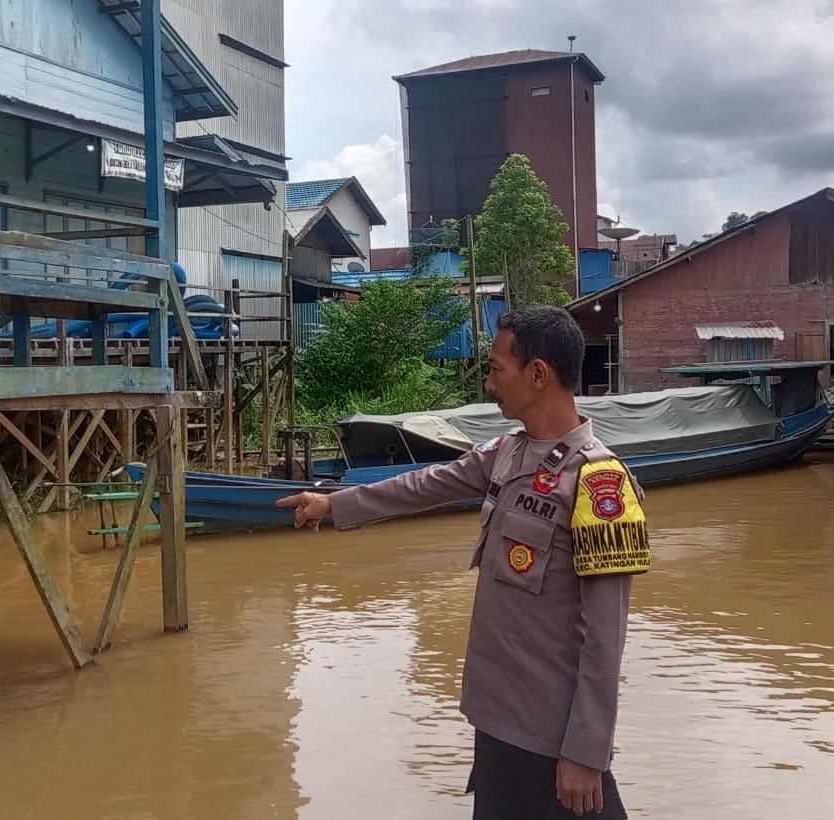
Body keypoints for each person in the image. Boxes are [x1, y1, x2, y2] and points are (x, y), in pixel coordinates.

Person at [277, 306, 648, 819]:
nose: (489, 384)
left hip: (554, 736)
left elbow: (606, 637)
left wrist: (586, 752)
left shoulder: (599, 485)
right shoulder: (507, 453)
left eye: (496, 369)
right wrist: (333, 503)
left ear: (537, 374)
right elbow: (426, 484)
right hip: (494, 719)